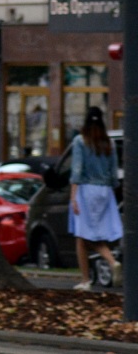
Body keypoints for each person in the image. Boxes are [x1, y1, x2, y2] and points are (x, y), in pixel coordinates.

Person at [69, 106, 121, 290]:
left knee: (83, 235)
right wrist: (112, 191)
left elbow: (77, 170)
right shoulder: (109, 143)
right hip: (105, 191)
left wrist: (73, 196)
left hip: (86, 190)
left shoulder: (80, 141)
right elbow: (114, 172)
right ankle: (88, 278)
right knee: (87, 237)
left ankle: (102, 268)